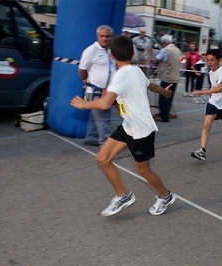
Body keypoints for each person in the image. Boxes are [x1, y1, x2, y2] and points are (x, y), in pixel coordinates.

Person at [70, 35, 176, 217]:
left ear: (112, 55)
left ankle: (165, 196)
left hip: (141, 130)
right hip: (129, 126)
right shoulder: (136, 70)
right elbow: (152, 86)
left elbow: (105, 104)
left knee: (143, 170)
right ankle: (123, 195)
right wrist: (164, 92)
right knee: (103, 158)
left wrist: (83, 105)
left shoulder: (122, 75)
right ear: (133, 53)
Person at [190, 49, 222, 161]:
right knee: (206, 125)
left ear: (218, 60)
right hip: (213, 102)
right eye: (208, 60)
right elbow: (212, 87)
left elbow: (218, 89)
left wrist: (201, 92)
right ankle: (202, 151)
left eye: (212, 60)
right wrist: (208, 94)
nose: (209, 62)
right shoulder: (209, 73)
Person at [78, 25, 117, 147]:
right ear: (97, 36)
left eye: (107, 36)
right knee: (102, 119)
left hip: (107, 91)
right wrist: (85, 80)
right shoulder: (91, 51)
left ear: (111, 37)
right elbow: (82, 69)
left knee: (94, 116)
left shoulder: (110, 52)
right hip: (96, 90)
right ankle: (105, 144)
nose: (105, 39)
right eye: (102, 36)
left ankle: (90, 137)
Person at [152, 34, 181, 122]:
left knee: (163, 99)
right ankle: (165, 114)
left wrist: (156, 61)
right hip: (175, 77)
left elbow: (156, 60)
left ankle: (164, 117)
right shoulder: (178, 50)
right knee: (169, 98)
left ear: (164, 43)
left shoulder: (165, 50)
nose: (161, 44)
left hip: (166, 77)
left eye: (161, 43)